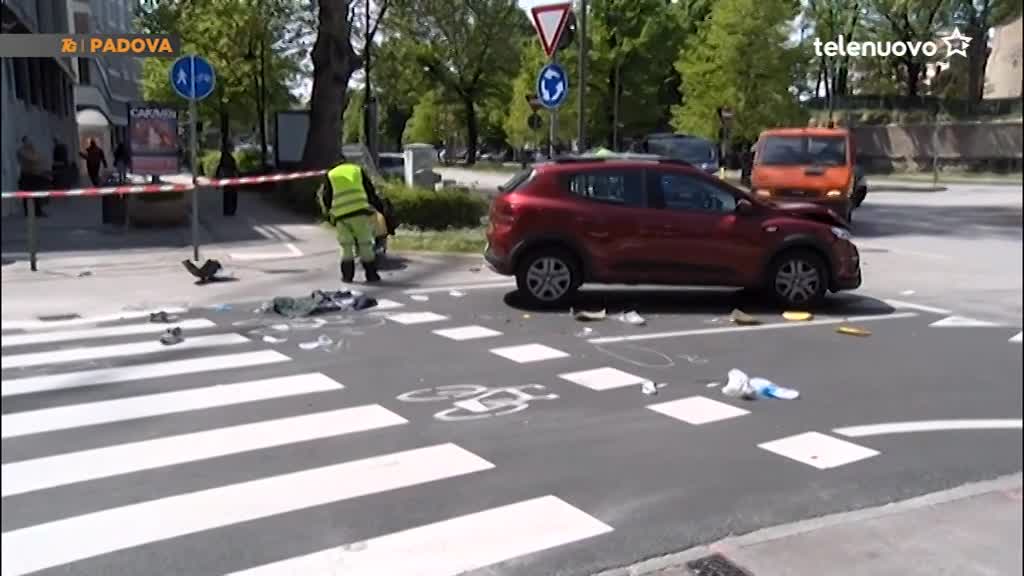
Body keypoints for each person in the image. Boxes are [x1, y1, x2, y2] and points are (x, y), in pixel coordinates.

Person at [317, 157, 385, 283]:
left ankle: (347, 276)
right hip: (360, 212)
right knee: (365, 244)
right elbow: (369, 190)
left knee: (346, 246)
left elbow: (327, 196)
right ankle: (371, 275)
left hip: (341, 216)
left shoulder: (331, 174)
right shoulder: (357, 170)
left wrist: (328, 214)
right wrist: (378, 206)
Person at [17, 137, 47, 217]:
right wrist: (33, 151)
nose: (30, 143)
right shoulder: (22, 151)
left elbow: (38, 158)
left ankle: (38, 211)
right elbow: (33, 158)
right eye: (28, 141)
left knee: (36, 195)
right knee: (26, 195)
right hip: (27, 175)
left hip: (35, 175)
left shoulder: (31, 150)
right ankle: (28, 212)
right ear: (24, 142)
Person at [216, 142, 239, 216]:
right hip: (230, 178)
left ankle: (227, 210)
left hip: (227, 178)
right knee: (231, 194)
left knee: (227, 194)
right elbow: (229, 168)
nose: (234, 148)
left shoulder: (225, 156)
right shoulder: (227, 157)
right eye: (232, 147)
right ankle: (230, 210)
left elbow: (220, 168)